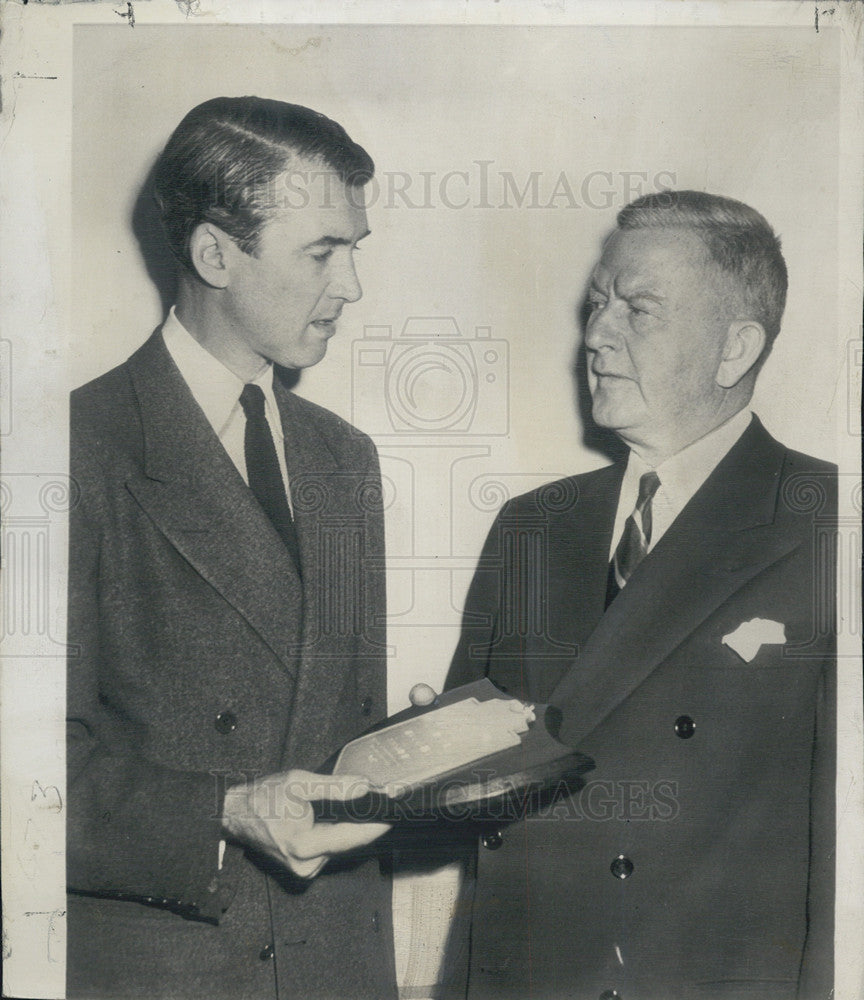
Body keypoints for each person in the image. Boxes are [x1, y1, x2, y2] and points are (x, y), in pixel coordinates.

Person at [446, 191, 836, 1000]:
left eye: (639, 310)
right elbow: (473, 829)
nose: (595, 337)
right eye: (596, 305)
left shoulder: (832, 522)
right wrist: (431, 758)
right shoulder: (532, 526)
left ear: (735, 350)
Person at [67, 97, 397, 1000]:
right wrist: (225, 810)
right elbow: (24, 769)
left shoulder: (345, 458)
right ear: (216, 254)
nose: (353, 287)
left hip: (341, 966)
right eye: (324, 253)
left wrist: (432, 753)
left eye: (355, 249)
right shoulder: (70, 450)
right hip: (174, 968)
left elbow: (336, 731)